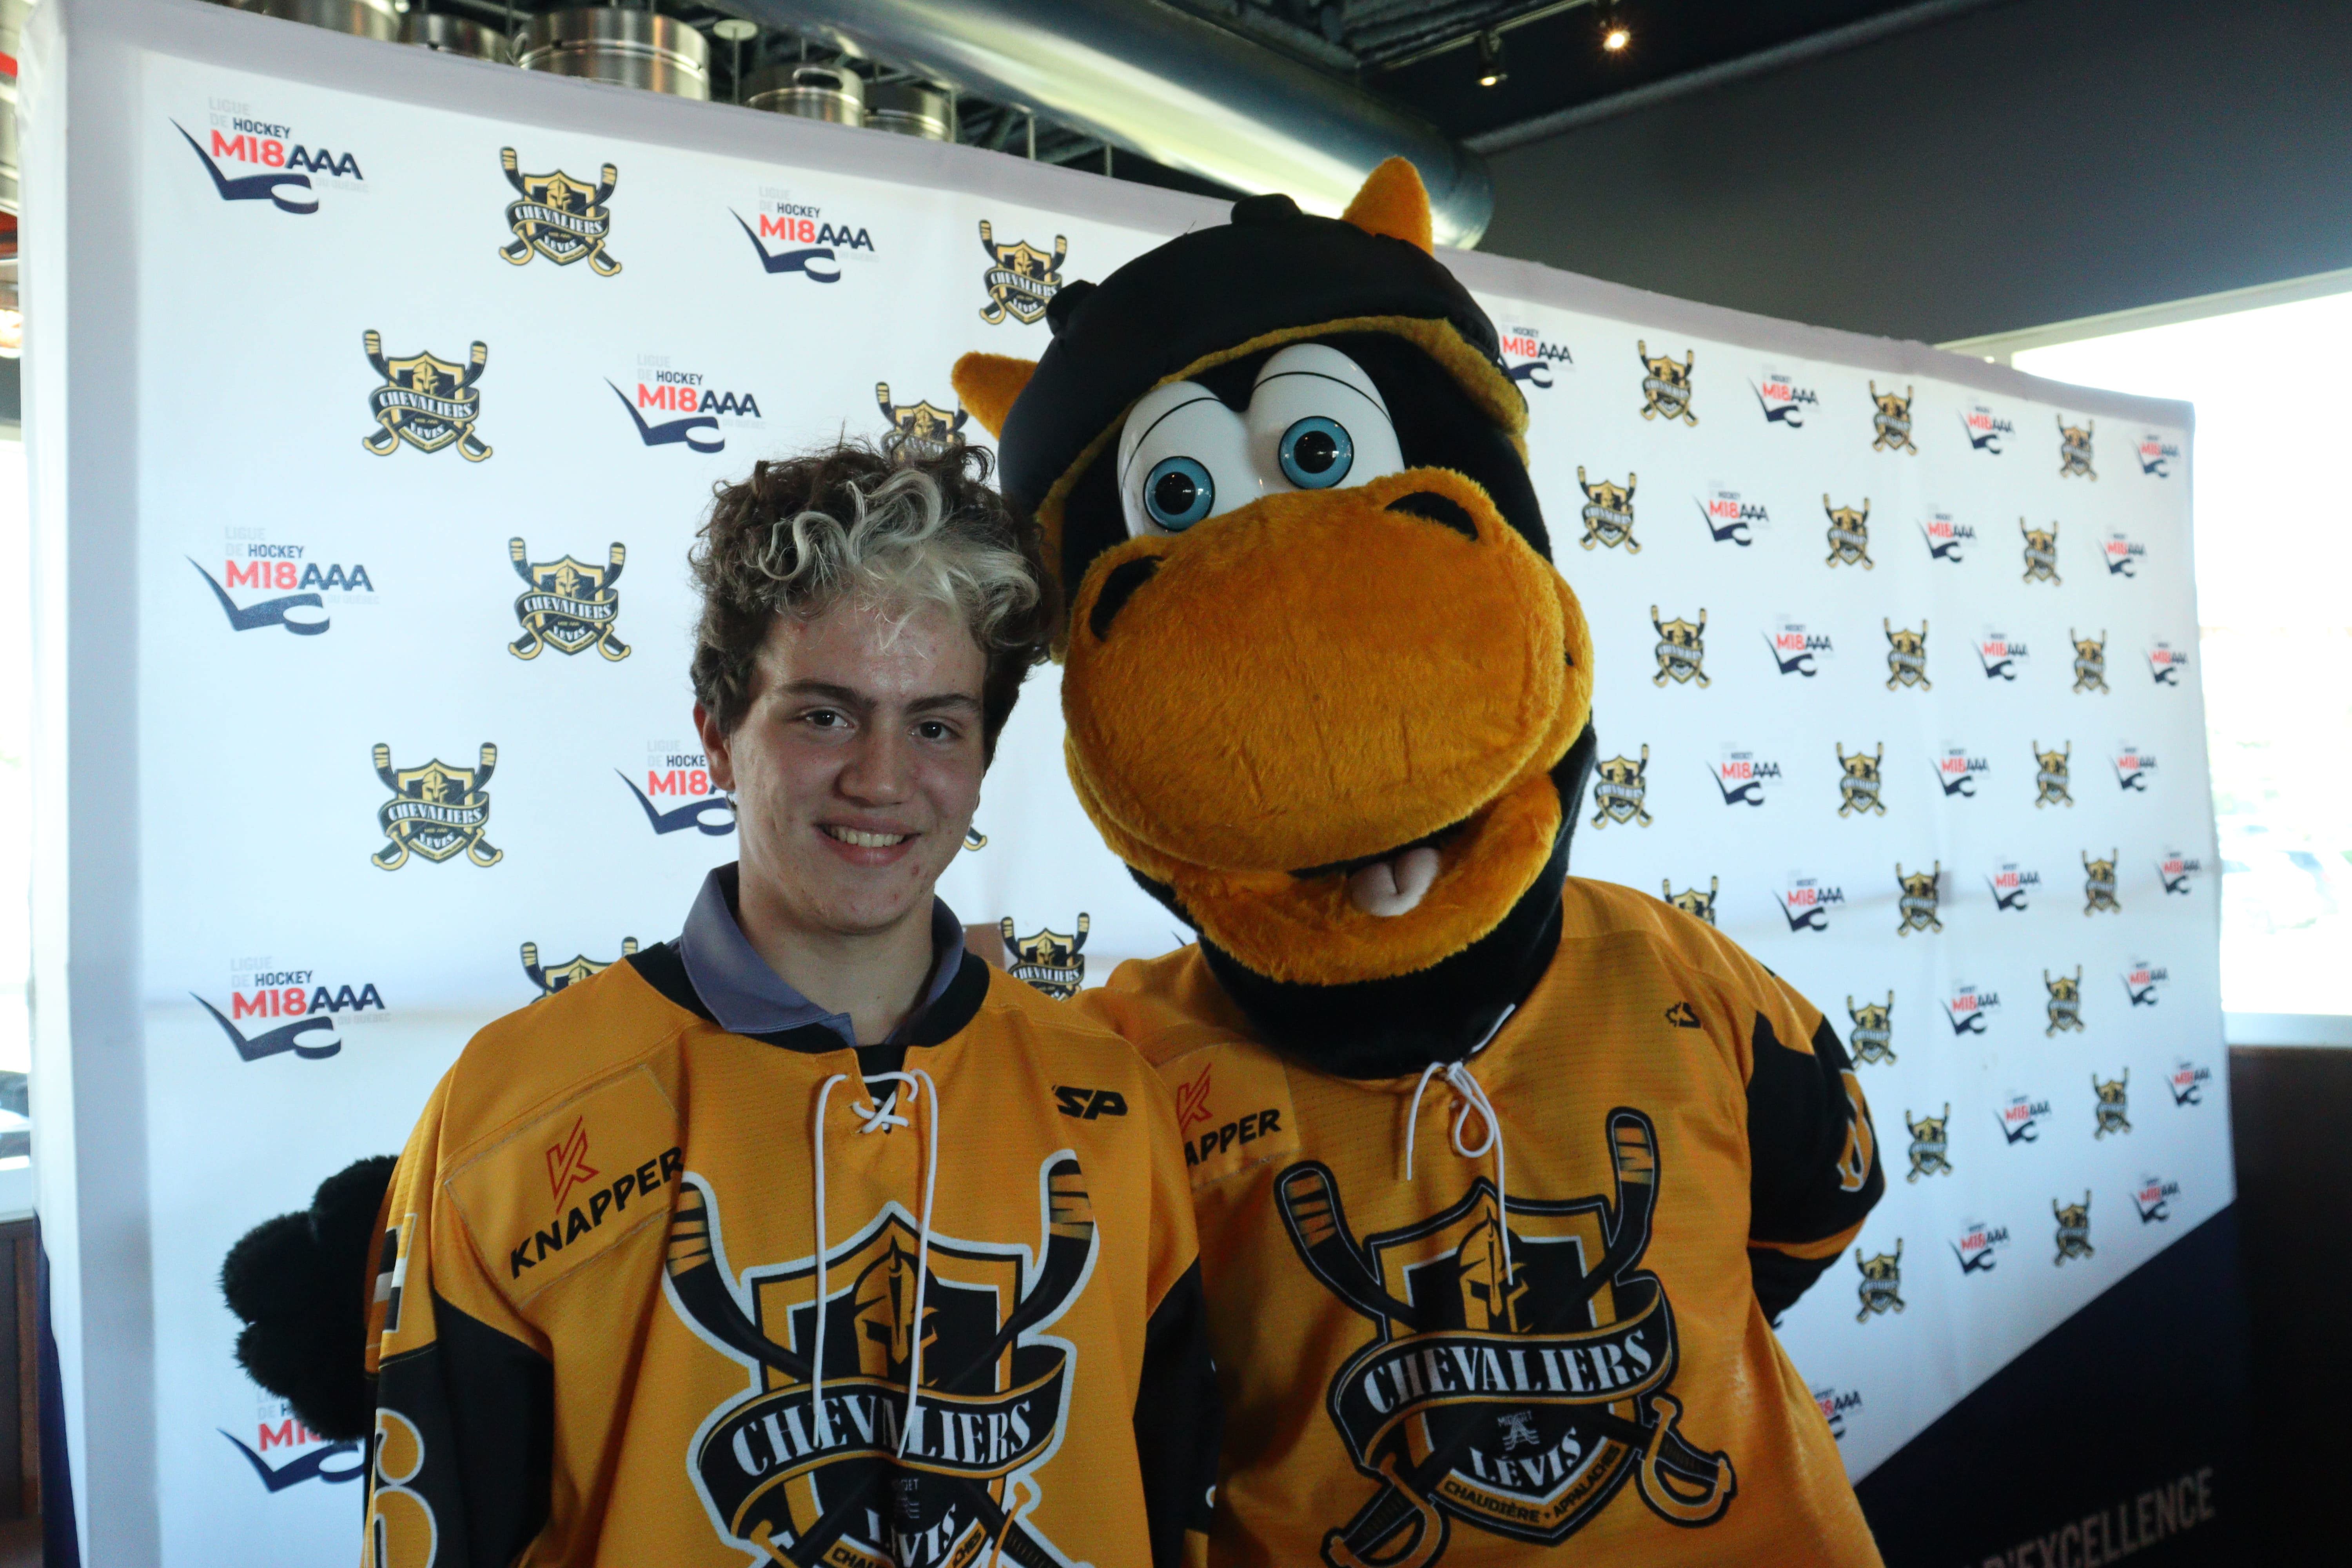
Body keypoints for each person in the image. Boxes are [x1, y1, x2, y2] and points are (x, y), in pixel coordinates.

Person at [358, 442, 1218, 1568]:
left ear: (982, 754)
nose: (881, 779)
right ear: (719, 732)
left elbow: (1175, 1503)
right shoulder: (511, 1109)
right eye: (824, 716)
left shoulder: (1107, 1097)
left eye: (936, 725)